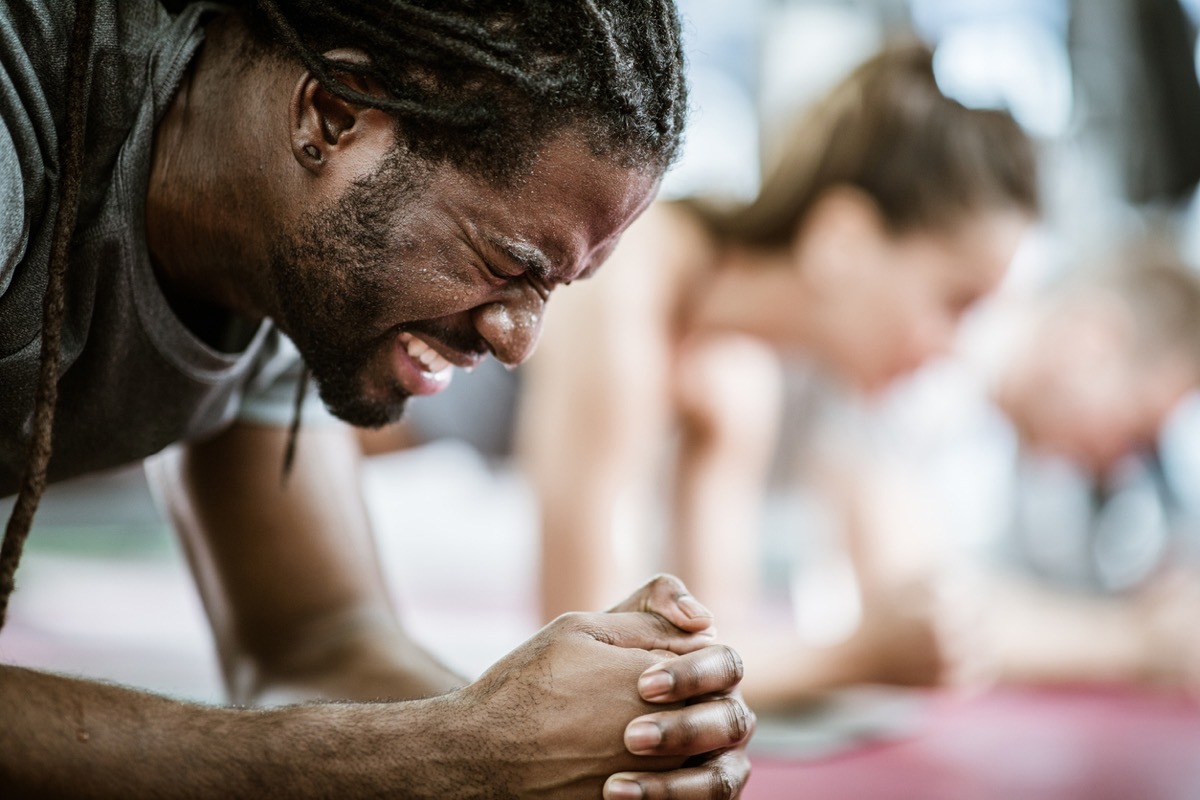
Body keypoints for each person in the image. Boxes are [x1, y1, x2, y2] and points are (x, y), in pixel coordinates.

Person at [0, 2, 755, 797]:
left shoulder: (298, 258)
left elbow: (312, 646)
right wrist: (453, 755)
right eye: (507, 261)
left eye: (556, 289)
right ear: (332, 114)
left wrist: (574, 738)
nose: (520, 341)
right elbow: (402, 738)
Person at [517, 43, 1039, 710]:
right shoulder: (627, 285)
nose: (954, 349)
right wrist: (861, 654)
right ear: (842, 239)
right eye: (955, 302)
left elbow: (705, 661)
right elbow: (583, 674)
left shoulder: (737, 373)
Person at [938, 237, 1200, 689]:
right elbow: (928, 616)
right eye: (1135, 428)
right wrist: (1143, 637)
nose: (1122, 461)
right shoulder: (930, 374)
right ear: (1093, 342)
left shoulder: (1026, 459)